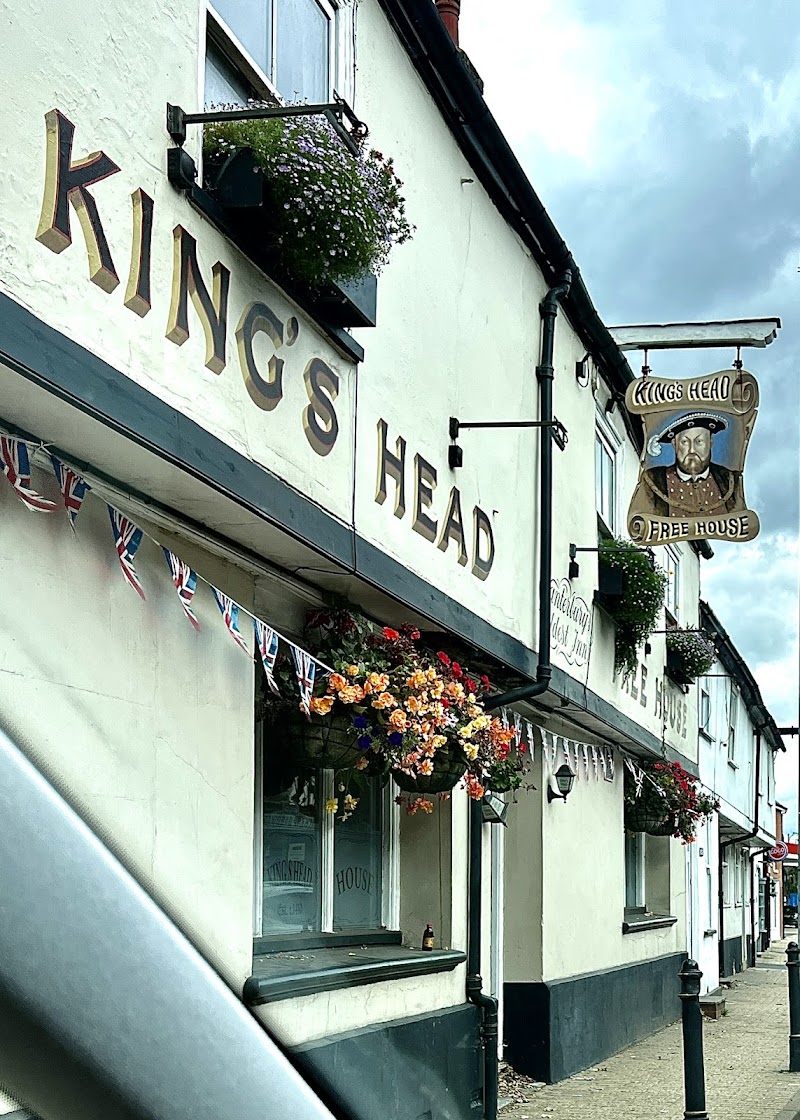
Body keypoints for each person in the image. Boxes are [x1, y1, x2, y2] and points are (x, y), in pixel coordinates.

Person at [636, 412, 744, 519]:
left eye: (699, 441)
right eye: (684, 442)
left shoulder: (730, 481)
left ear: (710, 442)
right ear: (674, 444)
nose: (692, 449)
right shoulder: (653, 481)